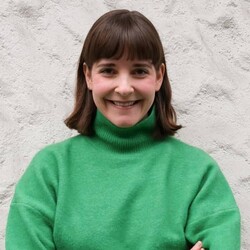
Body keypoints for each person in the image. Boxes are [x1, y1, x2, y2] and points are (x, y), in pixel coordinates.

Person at [6, 9, 240, 249]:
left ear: (159, 76)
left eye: (139, 71)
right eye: (109, 70)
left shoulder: (199, 173)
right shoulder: (49, 171)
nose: (124, 87)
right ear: (88, 76)